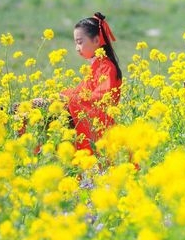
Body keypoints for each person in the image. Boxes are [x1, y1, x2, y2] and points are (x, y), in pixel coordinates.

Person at [18, 12, 123, 155]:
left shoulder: (107, 68)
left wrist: (64, 99)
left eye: (80, 42)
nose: (76, 48)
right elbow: (81, 93)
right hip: (85, 119)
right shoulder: (96, 66)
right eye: (75, 43)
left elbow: (99, 100)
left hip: (99, 130)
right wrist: (58, 98)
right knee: (27, 112)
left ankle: (31, 154)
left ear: (97, 40)